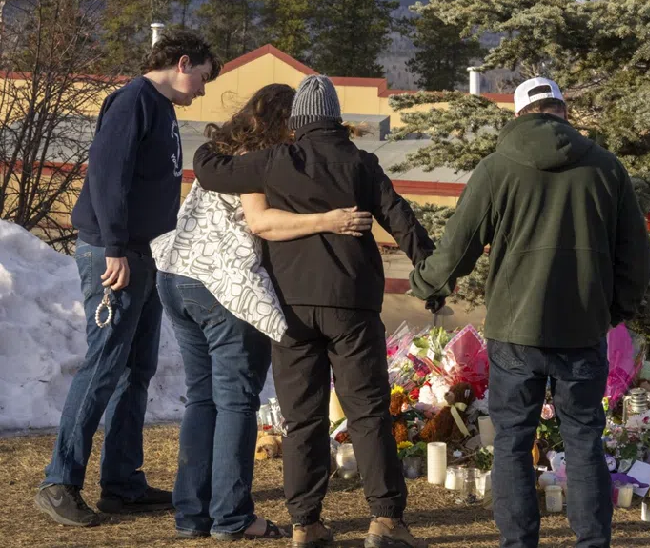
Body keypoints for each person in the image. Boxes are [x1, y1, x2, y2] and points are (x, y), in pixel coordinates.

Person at [193, 74, 438, 548]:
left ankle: (307, 524)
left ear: (298, 122)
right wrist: (432, 276)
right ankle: (386, 520)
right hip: (352, 305)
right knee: (367, 413)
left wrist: (229, 132)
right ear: (335, 119)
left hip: (292, 308)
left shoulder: (274, 162)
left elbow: (207, 170)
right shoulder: (361, 164)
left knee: (303, 418)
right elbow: (403, 220)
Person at [409, 77, 650, 548]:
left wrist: (426, 282)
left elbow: (458, 247)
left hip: (515, 331)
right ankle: (591, 542)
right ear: (562, 111)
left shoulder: (497, 168)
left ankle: (518, 543)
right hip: (583, 328)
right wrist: (612, 310)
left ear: (519, 114)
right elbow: (636, 260)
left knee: (513, 443)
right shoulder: (606, 168)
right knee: (584, 441)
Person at [150, 83, 373, 541]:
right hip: (222, 288)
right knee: (235, 401)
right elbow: (260, 222)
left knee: (203, 398)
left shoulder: (226, 151)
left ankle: (192, 514)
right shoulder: (261, 155)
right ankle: (232, 516)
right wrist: (328, 220)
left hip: (176, 276)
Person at [35, 29, 222, 527]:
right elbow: (106, 176)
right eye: (202, 77)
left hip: (146, 254)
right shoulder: (133, 103)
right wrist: (115, 246)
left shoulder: (161, 109)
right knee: (104, 365)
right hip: (114, 254)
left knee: (137, 370)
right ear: (183, 62)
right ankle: (59, 482)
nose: (202, 89)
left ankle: (121, 483)